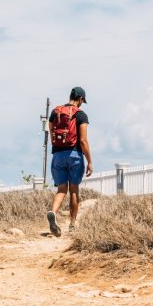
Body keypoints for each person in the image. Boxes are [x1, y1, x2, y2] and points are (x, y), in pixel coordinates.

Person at [46, 86, 93, 236]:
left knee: (61, 190)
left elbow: (51, 132)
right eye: (82, 101)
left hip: (58, 156)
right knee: (74, 190)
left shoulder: (55, 112)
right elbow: (83, 141)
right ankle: (72, 225)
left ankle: (53, 212)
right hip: (74, 155)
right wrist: (90, 161)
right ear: (80, 99)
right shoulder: (81, 115)